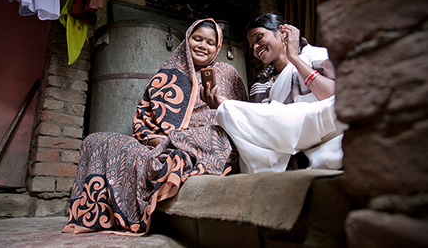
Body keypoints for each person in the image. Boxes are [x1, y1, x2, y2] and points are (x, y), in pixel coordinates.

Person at [62, 18, 247, 235]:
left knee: (212, 135)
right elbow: (142, 118)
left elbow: (242, 118)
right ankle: (100, 215)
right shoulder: (167, 73)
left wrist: (215, 107)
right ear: (187, 40)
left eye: (209, 42)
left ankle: (177, 146)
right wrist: (155, 140)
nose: (202, 46)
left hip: (203, 144)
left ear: (217, 47)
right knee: (98, 140)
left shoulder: (228, 74)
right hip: (160, 143)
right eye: (197, 39)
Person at [203, 13, 347, 174]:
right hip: (281, 141)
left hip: (322, 128)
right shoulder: (260, 84)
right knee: (231, 115)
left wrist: (294, 58)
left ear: (282, 32)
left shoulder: (314, 55)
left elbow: (336, 97)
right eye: (251, 47)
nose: (256, 48)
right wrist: (227, 107)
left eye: (259, 38)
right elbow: (262, 124)